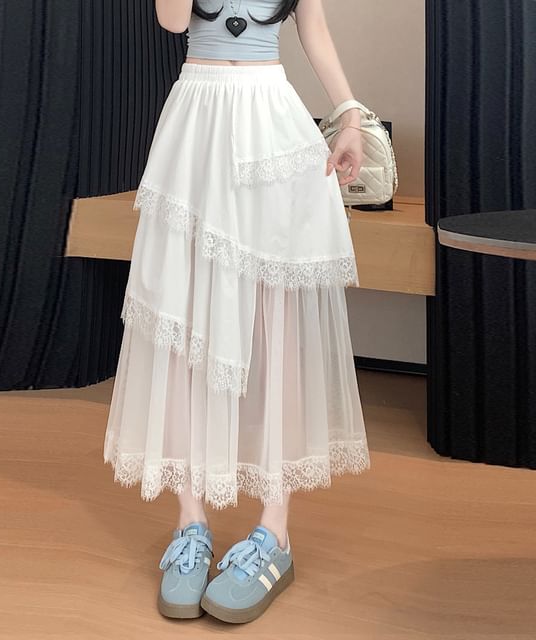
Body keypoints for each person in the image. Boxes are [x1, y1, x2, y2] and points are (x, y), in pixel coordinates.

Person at [104, 0, 371, 624]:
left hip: (271, 124)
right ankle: (190, 523)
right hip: (196, 120)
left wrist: (350, 115)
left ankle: (275, 533)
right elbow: (173, 21)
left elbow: (313, 28)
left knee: (275, 324)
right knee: (182, 321)